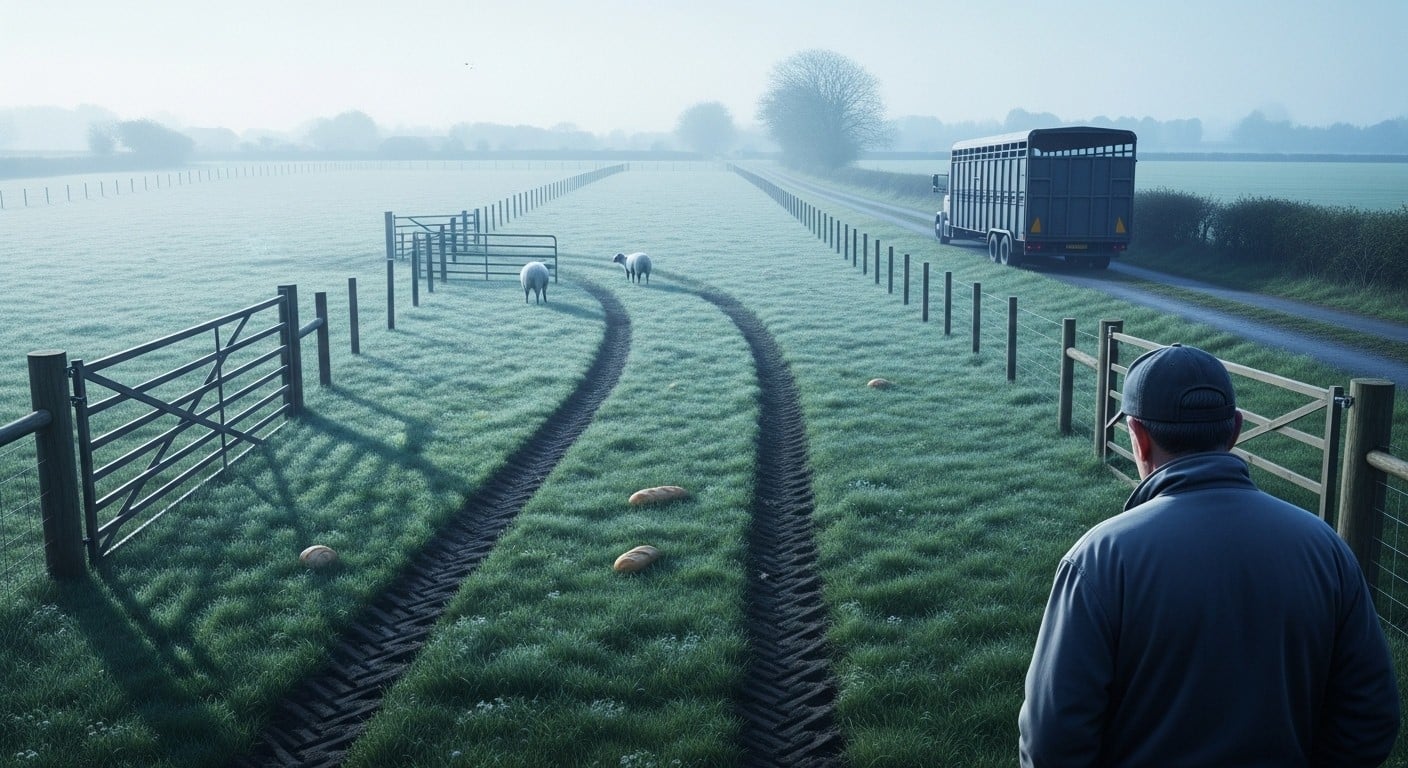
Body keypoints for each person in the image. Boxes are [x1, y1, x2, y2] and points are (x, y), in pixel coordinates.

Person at [1019, 343, 1400, 766]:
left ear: (1139, 438)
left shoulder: (1099, 559)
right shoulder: (1325, 547)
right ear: (1234, 430)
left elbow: (1052, 742)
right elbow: (1371, 717)